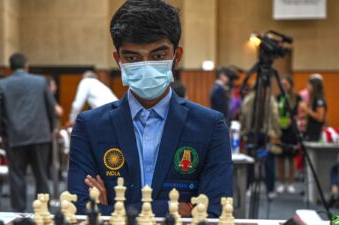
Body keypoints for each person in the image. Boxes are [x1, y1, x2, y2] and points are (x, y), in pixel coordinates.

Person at [68, 0, 232, 218]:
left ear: (177, 56)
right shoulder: (89, 126)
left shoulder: (210, 125)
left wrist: (112, 212)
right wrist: (173, 209)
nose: (145, 66)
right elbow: (80, 211)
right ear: (118, 60)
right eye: (132, 58)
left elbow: (215, 213)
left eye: (158, 56)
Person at [0, 53, 55, 212]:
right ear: (26, 66)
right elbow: (51, 107)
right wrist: (51, 128)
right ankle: (42, 213)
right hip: (40, 136)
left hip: (15, 137)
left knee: (17, 176)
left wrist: (1, 131)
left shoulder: (2, 84)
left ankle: (18, 214)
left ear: (10, 67)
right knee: (41, 176)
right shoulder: (40, 82)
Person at [240, 84, 281, 199]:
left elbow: (243, 116)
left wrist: (243, 132)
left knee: (259, 161)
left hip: (257, 134)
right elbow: (275, 117)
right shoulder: (269, 99)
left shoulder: (249, 99)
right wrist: (277, 132)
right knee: (261, 162)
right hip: (261, 134)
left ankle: (253, 188)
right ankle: (267, 189)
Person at [276, 76, 302, 194]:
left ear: (291, 85)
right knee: (281, 157)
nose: (284, 86)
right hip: (280, 129)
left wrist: (294, 119)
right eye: (282, 84)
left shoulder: (297, 98)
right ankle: (282, 182)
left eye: (286, 84)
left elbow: (302, 113)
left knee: (291, 157)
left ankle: (291, 183)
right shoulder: (277, 97)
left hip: (292, 130)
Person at [301, 74, 327, 141]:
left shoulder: (319, 99)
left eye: (309, 85)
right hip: (309, 132)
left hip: (315, 134)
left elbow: (320, 117)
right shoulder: (312, 98)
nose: (307, 87)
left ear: (314, 86)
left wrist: (306, 109)